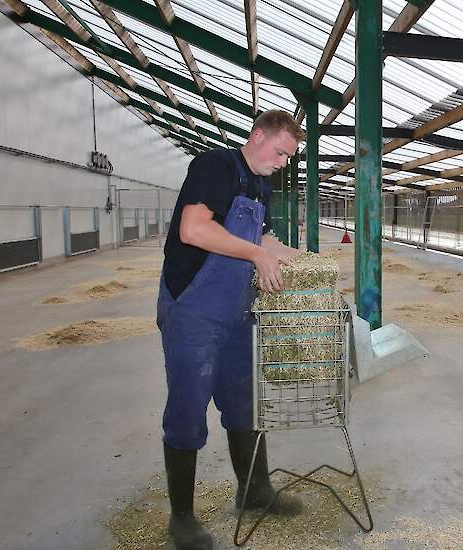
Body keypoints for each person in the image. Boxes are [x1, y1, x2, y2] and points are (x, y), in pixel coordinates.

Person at [156, 109, 305, 550]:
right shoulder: (215, 166)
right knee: (187, 407)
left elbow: (263, 240)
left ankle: (254, 490)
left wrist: (303, 259)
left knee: (245, 401)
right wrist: (259, 257)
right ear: (257, 136)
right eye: (280, 152)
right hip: (194, 310)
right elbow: (193, 229)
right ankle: (181, 517)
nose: (282, 163)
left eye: (288, 158)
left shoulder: (261, 184)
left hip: (238, 310)